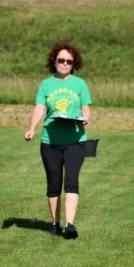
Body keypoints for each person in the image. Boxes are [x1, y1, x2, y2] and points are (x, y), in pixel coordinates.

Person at [24, 41, 93, 240]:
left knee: (71, 181)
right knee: (53, 184)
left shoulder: (80, 84)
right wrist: (31, 129)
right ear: (54, 61)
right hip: (50, 141)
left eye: (68, 61)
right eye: (61, 60)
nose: (64, 64)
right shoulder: (46, 84)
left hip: (75, 140)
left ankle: (70, 225)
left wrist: (86, 118)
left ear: (74, 64)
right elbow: (39, 108)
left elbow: (86, 107)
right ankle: (55, 223)